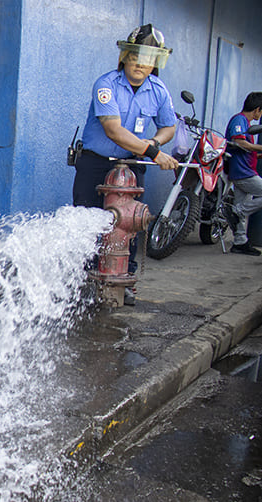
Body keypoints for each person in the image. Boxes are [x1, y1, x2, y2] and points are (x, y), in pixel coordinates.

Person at [72, 24, 179, 305]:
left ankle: (125, 280)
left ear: (155, 62)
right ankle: (83, 280)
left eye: (147, 59)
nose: (140, 65)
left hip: (133, 166)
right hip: (97, 163)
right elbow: (113, 130)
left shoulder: (158, 90)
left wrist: (154, 143)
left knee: (129, 224)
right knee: (87, 221)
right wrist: (154, 153)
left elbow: (169, 126)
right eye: (135, 57)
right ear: (124, 58)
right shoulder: (106, 85)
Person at [225, 92, 262, 256]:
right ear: (257, 110)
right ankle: (237, 211)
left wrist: (257, 153)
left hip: (244, 169)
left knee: (242, 202)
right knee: (240, 208)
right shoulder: (239, 120)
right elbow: (239, 142)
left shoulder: (245, 122)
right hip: (242, 172)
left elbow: (245, 149)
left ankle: (240, 242)